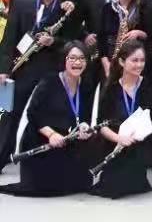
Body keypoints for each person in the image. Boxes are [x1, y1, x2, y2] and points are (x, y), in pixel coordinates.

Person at [0, 0, 80, 171]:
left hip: (49, 70)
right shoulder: (21, 4)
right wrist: (3, 70)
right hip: (19, 70)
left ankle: (35, 159)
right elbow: (8, 39)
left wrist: (53, 41)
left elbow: (71, 40)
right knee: (7, 113)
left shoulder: (65, 9)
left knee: (43, 114)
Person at [0, 41, 96, 196]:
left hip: (65, 140)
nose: (77, 62)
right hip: (41, 140)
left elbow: (85, 116)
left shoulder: (86, 84)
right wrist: (51, 135)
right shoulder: (50, 81)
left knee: (81, 183)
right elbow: (33, 114)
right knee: (48, 187)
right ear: (64, 60)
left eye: (81, 58)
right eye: (72, 58)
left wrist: (84, 127)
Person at [91, 40, 152, 198]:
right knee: (114, 187)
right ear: (122, 62)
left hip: (140, 144)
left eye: (142, 60)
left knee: (133, 183)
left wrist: (143, 132)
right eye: (134, 60)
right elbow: (101, 125)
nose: (139, 65)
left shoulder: (150, 85)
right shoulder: (110, 89)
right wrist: (119, 139)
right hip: (115, 144)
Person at [97, 0, 152, 80]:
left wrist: (139, 33)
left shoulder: (144, 9)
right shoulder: (107, 8)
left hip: (137, 64)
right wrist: (106, 65)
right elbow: (101, 38)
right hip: (112, 61)